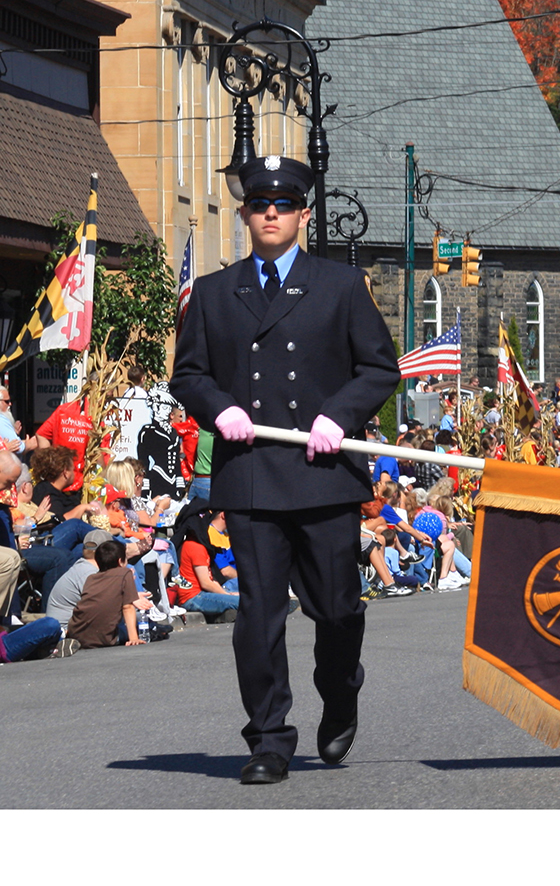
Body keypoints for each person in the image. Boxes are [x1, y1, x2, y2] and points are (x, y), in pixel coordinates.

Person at [170, 155, 402, 786]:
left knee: (336, 610)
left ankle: (341, 689)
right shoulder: (217, 293)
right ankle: (268, 737)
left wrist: (338, 416)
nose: (269, 213)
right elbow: (187, 373)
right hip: (252, 475)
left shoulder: (339, 285)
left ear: (303, 214)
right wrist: (220, 410)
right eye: (258, 204)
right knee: (260, 617)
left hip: (323, 474)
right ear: (246, 215)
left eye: (282, 205)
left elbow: (380, 369)